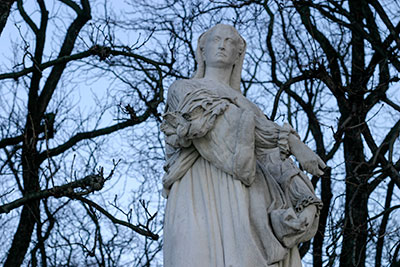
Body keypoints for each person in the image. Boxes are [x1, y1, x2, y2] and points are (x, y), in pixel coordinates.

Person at [161, 24, 326, 267]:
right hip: (200, 191)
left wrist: (306, 202)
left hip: (251, 205)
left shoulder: (250, 110)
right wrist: (290, 140)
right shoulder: (184, 89)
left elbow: (275, 161)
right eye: (216, 39)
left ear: (239, 54)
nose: (222, 45)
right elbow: (214, 124)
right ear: (202, 50)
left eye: (230, 41)